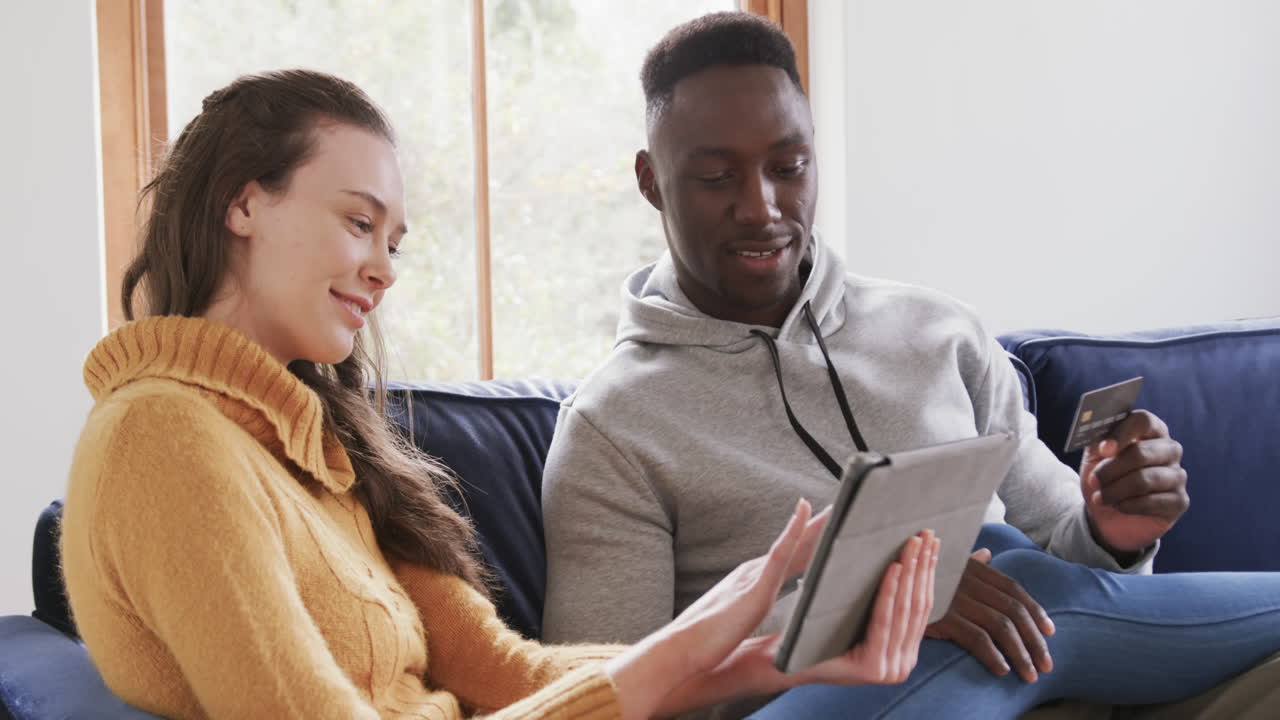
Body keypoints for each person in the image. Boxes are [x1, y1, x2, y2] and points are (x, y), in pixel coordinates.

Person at [59, 69, 942, 720]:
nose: (383, 269)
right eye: (359, 223)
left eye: (395, 241)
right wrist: (694, 643)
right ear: (242, 204)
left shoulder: (319, 450)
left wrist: (764, 654)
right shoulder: (162, 435)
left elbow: (506, 673)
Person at [539, 12, 1280, 719]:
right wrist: (876, 610)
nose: (762, 207)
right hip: (830, 700)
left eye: (788, 167)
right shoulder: (615, 427)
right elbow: (601, 698)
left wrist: (1116, 532)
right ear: (649, 179)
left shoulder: (938, 332)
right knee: (1015, 566)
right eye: (716, 178)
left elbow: (1075, 556)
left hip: (1051, 683)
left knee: (1024, 563)